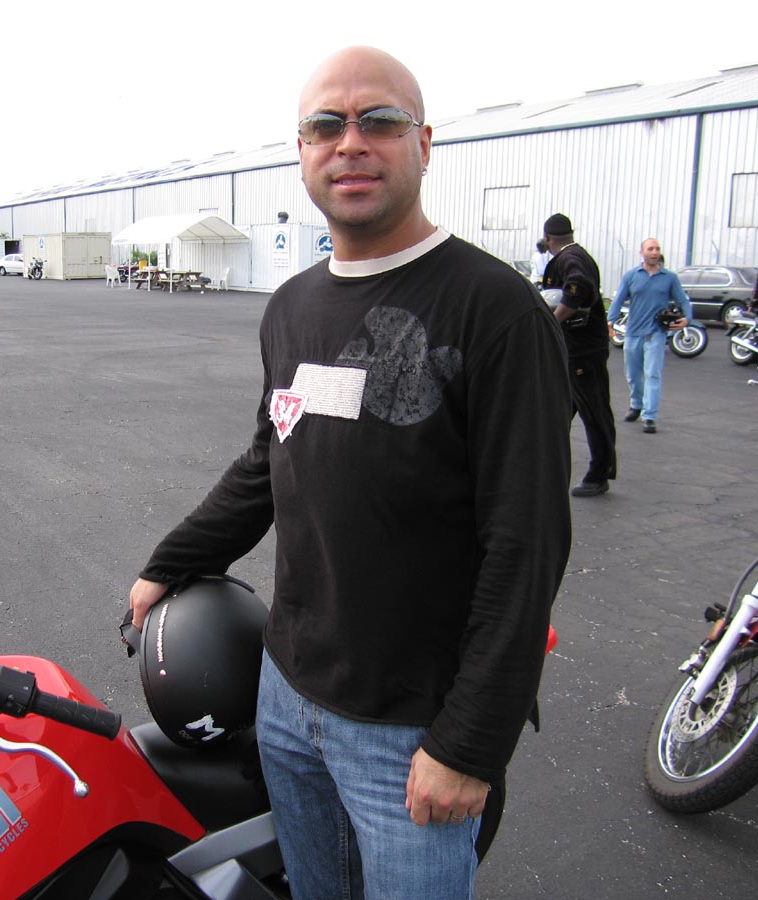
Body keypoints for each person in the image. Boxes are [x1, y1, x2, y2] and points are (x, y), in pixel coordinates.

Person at [127, 46, 571, 900]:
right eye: (326, 125)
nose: (351, 142)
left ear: (424, 143)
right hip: (287, 698)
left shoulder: (497, 310)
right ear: (301, 150)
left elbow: (527, 544)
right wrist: (168, 563)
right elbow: (269, 459)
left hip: (413, 728)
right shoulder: (292, 307)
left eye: (381, 121)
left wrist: (470, 743)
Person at [541, 213, 616, 497]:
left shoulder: (570, 258)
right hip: (572, 349)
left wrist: (553, 320)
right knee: (559, 410)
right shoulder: (573, 255)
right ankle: (546, 467)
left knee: (593, 410)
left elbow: (578, 286)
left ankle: (599, 473)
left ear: (548, 238)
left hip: (584, 351)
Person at [607, 239, 692, 434]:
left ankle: (649, 416)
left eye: (657, 249)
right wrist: (610, 321)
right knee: (633, 374)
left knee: (653, 374)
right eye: (650, 249)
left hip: (656, 333)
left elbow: (683, 300)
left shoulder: (669, 278)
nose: (654, 252)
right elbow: (618, 300)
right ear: (642, 252)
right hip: (633, 333)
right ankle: (636, 404)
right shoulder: (631, 276)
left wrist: (687, 318)